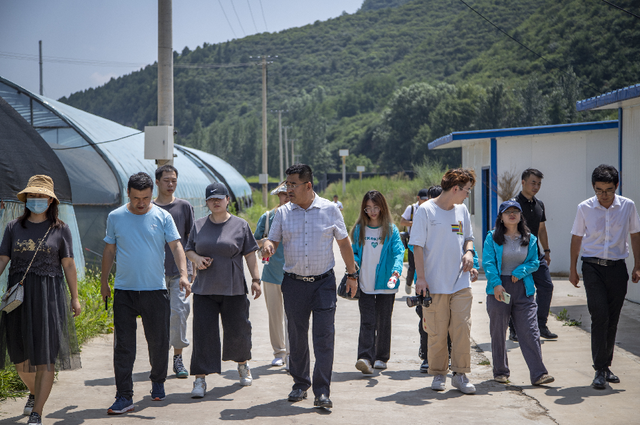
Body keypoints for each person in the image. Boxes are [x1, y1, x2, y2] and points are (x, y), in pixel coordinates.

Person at [262, 164, 358, 409]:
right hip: (293, 284)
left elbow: (344, 244)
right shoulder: (283, 213)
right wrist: (269, 246)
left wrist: (352, 274)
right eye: (287, 184)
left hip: (323, 283)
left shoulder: (330, 210)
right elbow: (272, 239)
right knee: (296, 336)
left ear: (308, 185)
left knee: (324, 337)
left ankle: (322, 391)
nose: (288, 189)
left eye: (293, 184)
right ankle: (300, 383)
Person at [101, 172, 190, 415]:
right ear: (127, 193)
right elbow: (109, 251)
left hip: (155, 290)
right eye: (136, 197)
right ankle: (123, 396)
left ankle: (158, 380)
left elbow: (176, 246)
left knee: (158, 342)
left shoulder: (162, 216)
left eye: (146, 198)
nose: (141, 203)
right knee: (124, 346)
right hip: (124, 291)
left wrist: (183, 274)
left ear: (152, 194)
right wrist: (103, 282)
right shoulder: (116, 216)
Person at [0, 175, 81, 425]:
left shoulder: (60, 229)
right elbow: (3, 260)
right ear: (26, 199)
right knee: (20, 358)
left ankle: (37, 412)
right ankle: (35, 393)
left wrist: (75, 298)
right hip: (19, 299)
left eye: (41, 196)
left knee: (45, 356)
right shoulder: (14, 227)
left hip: (49, 298)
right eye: (32, 196)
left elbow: (68, 265)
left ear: (50, 200)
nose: (37, 200)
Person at [185, 182, 261, 398]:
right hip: (204, 290)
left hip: (234, 289)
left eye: (220, 198)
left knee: (238, 332)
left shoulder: (240, 225)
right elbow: (189, 249)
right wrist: (197, 259)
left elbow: (249, 254)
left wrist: (256, 279)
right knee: (203, 335)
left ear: (228, 200)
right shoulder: (199, 225)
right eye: (211, 199)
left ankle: (243, 365)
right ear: (206, 202)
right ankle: (200, 379)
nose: (216, 202)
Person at [569, 164, 640, 390]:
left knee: (612, 318)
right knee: (599, 315)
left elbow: (635, 234)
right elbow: (577, 238)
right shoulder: (585, 208)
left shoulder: (627, 206)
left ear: (616, 186)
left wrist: (638, 265)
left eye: (608, 190)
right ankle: (599, 369)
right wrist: (572, 268)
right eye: (599, 190)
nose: (604, 195)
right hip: (592, 268)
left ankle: (606, 366)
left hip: (617, 268)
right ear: (593, 187)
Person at [409, 168, 477, 394]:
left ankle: (460, 374)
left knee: (461, 328)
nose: (468, 195)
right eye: (467, 190)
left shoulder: (462, 210)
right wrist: (420, 278)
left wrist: (469, 253)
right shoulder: (425, 211)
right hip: (434, 283)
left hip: (460, 281)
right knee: (437, 331)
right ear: (456, 189)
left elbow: (468, 238)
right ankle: (439, 373)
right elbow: (417, 245)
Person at [483, 200, 554, 386]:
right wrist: (497, 284)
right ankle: (500, 371)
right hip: (499, 289)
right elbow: (489, 264)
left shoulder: (530, 238)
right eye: (508, 212)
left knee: (530, 330)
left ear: (521, 215)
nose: (512, 214)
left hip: (523, 288)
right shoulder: (492, 237)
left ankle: (539, 373)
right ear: (501, 217)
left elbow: (534, 262)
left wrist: (521, 271)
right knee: (498, 331)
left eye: (516, 211)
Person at [351, 190, 404, 374]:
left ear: (382, 207)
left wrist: (396, 272)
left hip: (386, 284)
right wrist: (354, 266)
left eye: (375, 207)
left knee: (383, 321)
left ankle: (381, 357)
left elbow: (398, 253)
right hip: (365, 283)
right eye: (368, 208)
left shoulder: (390, 229)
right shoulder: (360, 229)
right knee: (367, 320)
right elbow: (355, 253)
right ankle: (365, 357)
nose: (372, 212)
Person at [152, 164, 195, 379]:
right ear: (157, 182)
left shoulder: (184, 207)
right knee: (159, 318)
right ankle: (159, 358)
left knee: (179, 313)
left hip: (180, 272)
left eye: (174, 181)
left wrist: (192, 270)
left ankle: (178, 357)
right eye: (166, 180)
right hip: (155, 273)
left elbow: (191, 239)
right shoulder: (149, 208)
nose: (170, 184)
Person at [509, 168, 557, 341]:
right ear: (523, 182)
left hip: (536, 256)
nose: (536, 187)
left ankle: (540, 325)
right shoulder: (513, 204)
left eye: (539, 184)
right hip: (516, 256)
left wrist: (547, 250)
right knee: (517, 292)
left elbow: (542, 229)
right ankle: (514, 329)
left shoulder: (540, 204)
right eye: (533, 183)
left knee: (546, 286)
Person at [254, 182, 289, 368]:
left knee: (294, 317)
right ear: (278, 197)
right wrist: (265, 242)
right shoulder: (268, 217)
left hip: (296, 275)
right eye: (283, 194)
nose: (287, 197)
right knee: (275, 316)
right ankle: (279, 352)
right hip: (272, 274)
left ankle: (292, 352)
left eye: (290, 194)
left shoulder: (301, 216)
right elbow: (253, 242)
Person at [400, 188, 429, 295]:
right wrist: (416, 223)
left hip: (426, 242)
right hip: (414, 242)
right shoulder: (411, 208)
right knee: (412, 266)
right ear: (418, 198)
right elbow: (402, 222)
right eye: (423, 199)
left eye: (427, 199)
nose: (425, 201)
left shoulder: (429, 208)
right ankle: (408, 283)